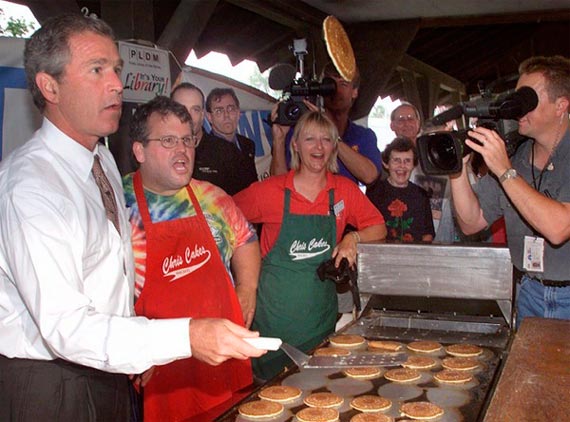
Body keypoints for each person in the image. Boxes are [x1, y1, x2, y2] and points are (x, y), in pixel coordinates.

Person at [0, 14, 264, 421]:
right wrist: (183, 336)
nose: (117, 84)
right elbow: (65, 327)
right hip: (51, 381)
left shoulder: (100, 158)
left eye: (116, 69)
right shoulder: (32, 186)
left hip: (110, 370)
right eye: (96, 70)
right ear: (49, 86)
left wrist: (139, 349)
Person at [123, 95, 261, 420]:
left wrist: (247, 289)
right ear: (139, 150)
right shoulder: (116, 204)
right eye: (168, 141)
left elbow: (246, 240)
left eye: (187, 140)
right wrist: (128, 348)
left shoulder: (212, 197)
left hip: (223, 362)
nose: (182, 149)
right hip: (161, 368)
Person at [234, 111, 386, 380]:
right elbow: (223, 215)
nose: (318, 147)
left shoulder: (343, 191)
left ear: (334, 146)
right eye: (310, 139)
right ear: (295, 145)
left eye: (326, 140)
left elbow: (379, 227)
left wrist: (353, 238)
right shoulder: (270, 191)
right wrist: (241, 275)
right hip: (270, 327)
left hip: (319, 326)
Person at [449, 55, 570, 326]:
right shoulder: (517, 158)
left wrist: (505, 171)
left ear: (561, 105)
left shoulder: (509, 166)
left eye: (527, 99)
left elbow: (558, 228)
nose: (517, 108)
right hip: (529, 291)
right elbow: (471, 222)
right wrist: (457, 169)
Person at [270, 62, 382, 185]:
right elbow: (277, 185)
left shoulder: (363, 136)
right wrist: (279, 139)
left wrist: (330, 133)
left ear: (355, 92)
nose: (336, 90)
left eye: (343, 84)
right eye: (329, 84)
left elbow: (369, 176)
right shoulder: (297, 132)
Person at [172, 83, 255, 195]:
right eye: (181, 109)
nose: (188, 116)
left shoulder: (228, 153)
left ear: (202, 115)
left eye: (195, 110)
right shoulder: (158, 151)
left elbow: (246, 201)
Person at [367, 137, 434, 242]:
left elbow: (428, 234)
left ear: (414, 165)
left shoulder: (422, 195)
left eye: (407, 161)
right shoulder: (373, 193)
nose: (402, 166)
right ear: (386, 164)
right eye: (396, 160)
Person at [203, 87, 258, 194]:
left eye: (231, 109)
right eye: (219, 111)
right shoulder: (203, 150)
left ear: (238, 113)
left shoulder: (247, 145)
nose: (226, 115)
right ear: (209, 117)